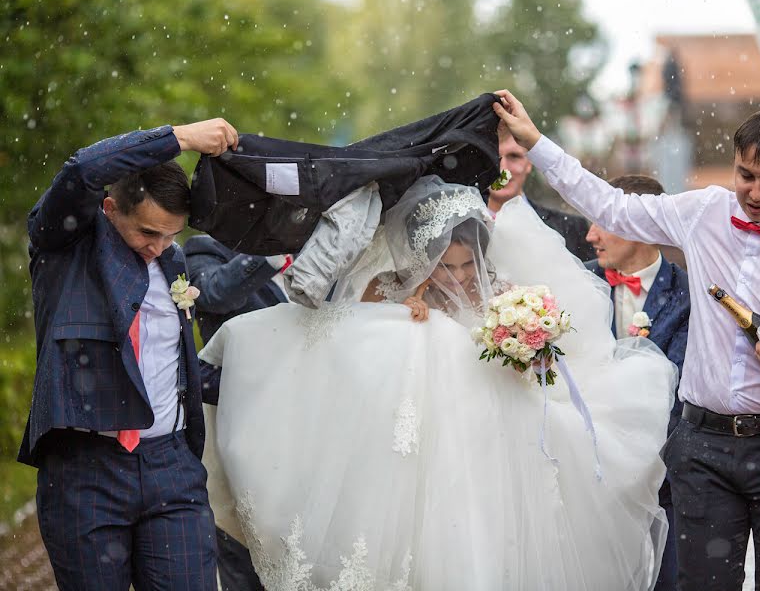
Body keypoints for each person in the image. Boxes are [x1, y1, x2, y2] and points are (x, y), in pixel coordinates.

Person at [199, 175, 678, 589]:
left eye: (469, 266)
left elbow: (544, 375)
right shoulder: (387, 288)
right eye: (447, 267)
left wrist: (524, 351)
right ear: (423, 260)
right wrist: (396, 318)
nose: (460, 277)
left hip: (497, 442)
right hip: (419, 448)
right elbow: (353, 352)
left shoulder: (508, 295)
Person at [493, 89, 760, 589]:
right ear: (735, 165)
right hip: (703, 448)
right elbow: (611, 205)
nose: (756, 192)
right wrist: (536, 142)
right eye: (746, 175)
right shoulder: (703, 211)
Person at [21, 118, 239, 590]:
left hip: (171, 469)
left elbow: (164, 368)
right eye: (147, 233)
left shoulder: (172, 261)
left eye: (169, 236)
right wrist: (179, 138)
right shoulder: (64, 244)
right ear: (108, 208)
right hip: (84, 474)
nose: (157, 248)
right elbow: (82, 168)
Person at [583, 174, 690, 591]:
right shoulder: (577, 284)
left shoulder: (689, 295)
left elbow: (679, 392)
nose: (590, 234)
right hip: (589, 483)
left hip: (666, 478)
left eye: (603, 221)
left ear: (643, 226)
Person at [185, 236, 295, 591]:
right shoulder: (204, 250)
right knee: (242, 551)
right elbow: (215, 294)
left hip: (310, 436)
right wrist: (272, 254)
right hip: (242, 435)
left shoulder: (328, 243)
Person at [491, 133, 594, 261]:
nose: (503, 169)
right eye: (493, 156)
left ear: (529, 163)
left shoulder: (572, 228)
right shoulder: (462, 226)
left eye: (514, 156)